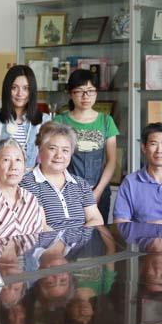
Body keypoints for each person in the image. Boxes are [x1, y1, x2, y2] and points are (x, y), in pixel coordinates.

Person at [53, 69, 119, 220]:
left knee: (98, 231)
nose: (86, 96)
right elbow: (54, 159)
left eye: (90, 91)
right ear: (70, 94)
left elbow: (112, 161)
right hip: (66, 191)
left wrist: (98, 191)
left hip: (100, 191)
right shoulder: (59, 121)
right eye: (79, 91)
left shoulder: (106, 121)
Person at [20, 122, 104, 229]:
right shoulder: (28, 183)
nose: (59, 155)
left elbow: (96, 219)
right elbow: (41, 227)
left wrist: (78, 238)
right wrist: (68, 240)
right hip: (48, 239)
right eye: (52, 148)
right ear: (40, 150)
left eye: (65, 150)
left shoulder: (81, 184)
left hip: (82, 239)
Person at [0, 65, 50, 170]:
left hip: (31, 178)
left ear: (32, 91)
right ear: (7, 89)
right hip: (0, 178)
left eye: (25, 88)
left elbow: (44, 158)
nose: (20, 93)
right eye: (14, 88)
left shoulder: (44, 120)